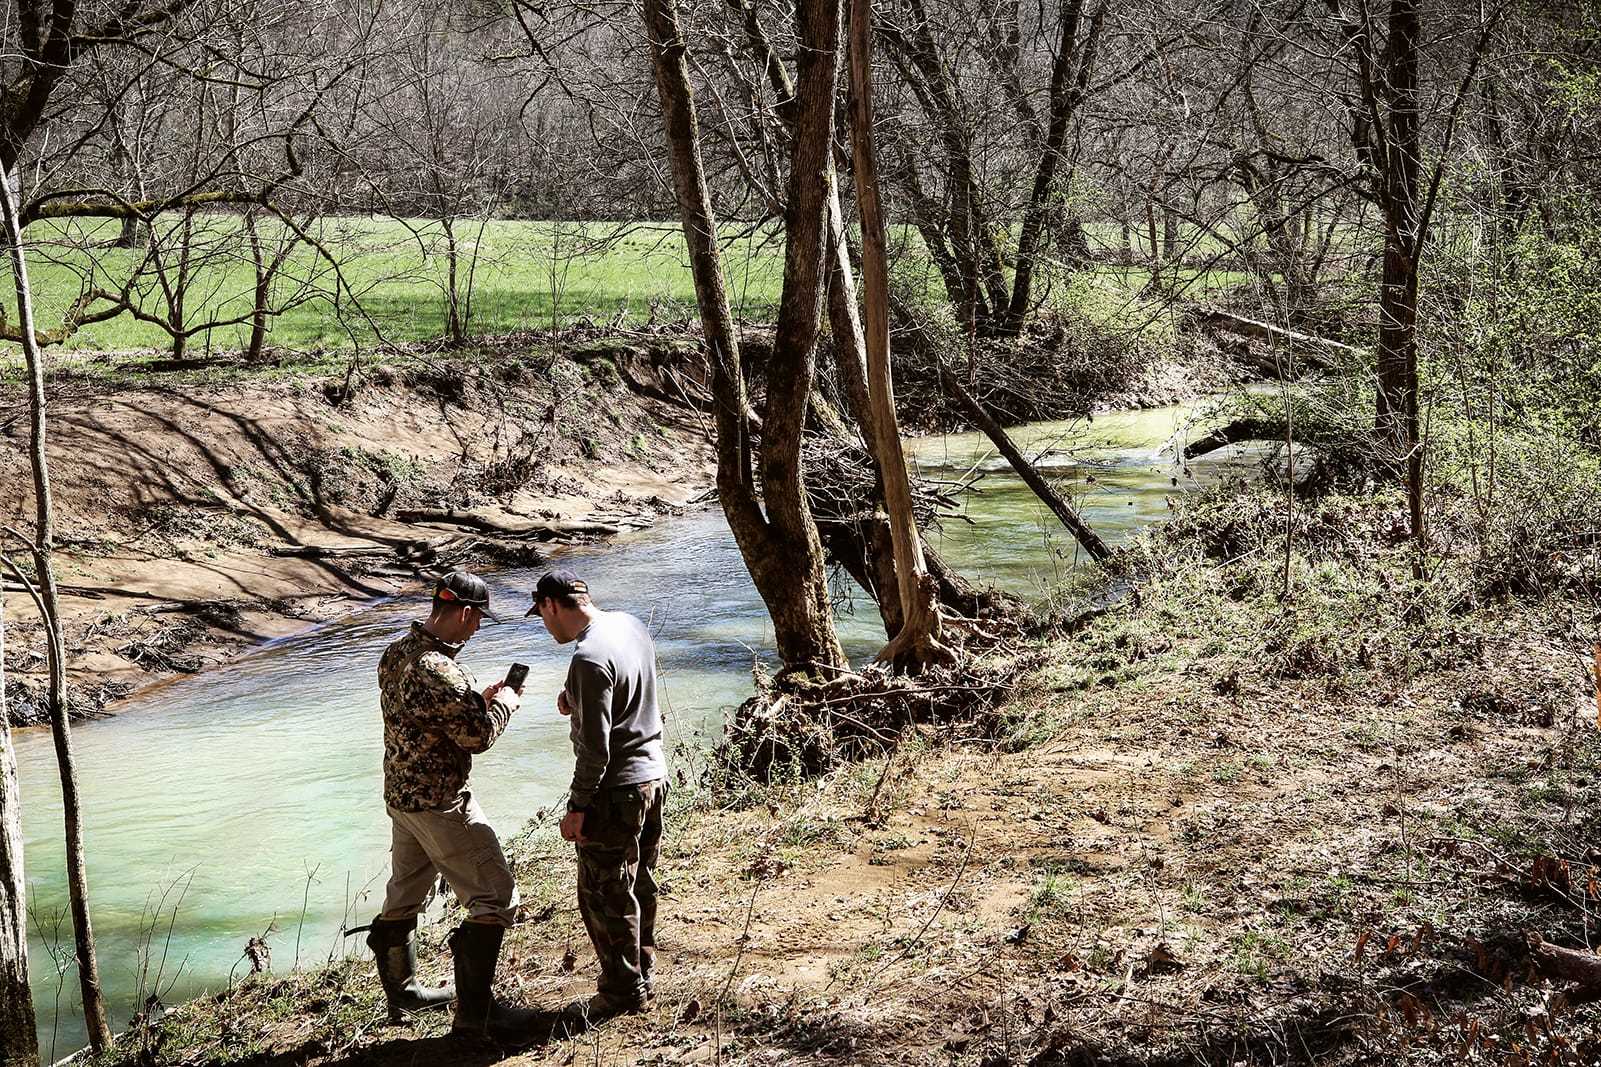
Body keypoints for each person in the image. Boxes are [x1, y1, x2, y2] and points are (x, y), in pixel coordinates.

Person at [365, 569, 538, 1042]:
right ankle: (476, 1018)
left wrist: (475, 700)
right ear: (463, 612)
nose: (478, 628)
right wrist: (504, 704)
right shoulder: (440, 668)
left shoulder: (396, 652)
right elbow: (476, 737)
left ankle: (404, 993)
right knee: (495, 899)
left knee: (405, 894)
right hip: (440, 802)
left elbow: (424, 714)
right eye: (478, 618)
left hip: (402, 797)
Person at [527, 570, 667, 1024]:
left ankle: (623, 991)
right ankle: (642, 967)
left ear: (551, 605)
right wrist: (576, 697)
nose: (545, 625)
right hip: (653, 776)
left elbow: (595, 751)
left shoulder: (587, 657)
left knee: (604, 894)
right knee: (639, 880)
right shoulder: (629, 625)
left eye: (541, 615)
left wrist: (578, 806)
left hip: (615, 790)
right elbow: (628, 687)